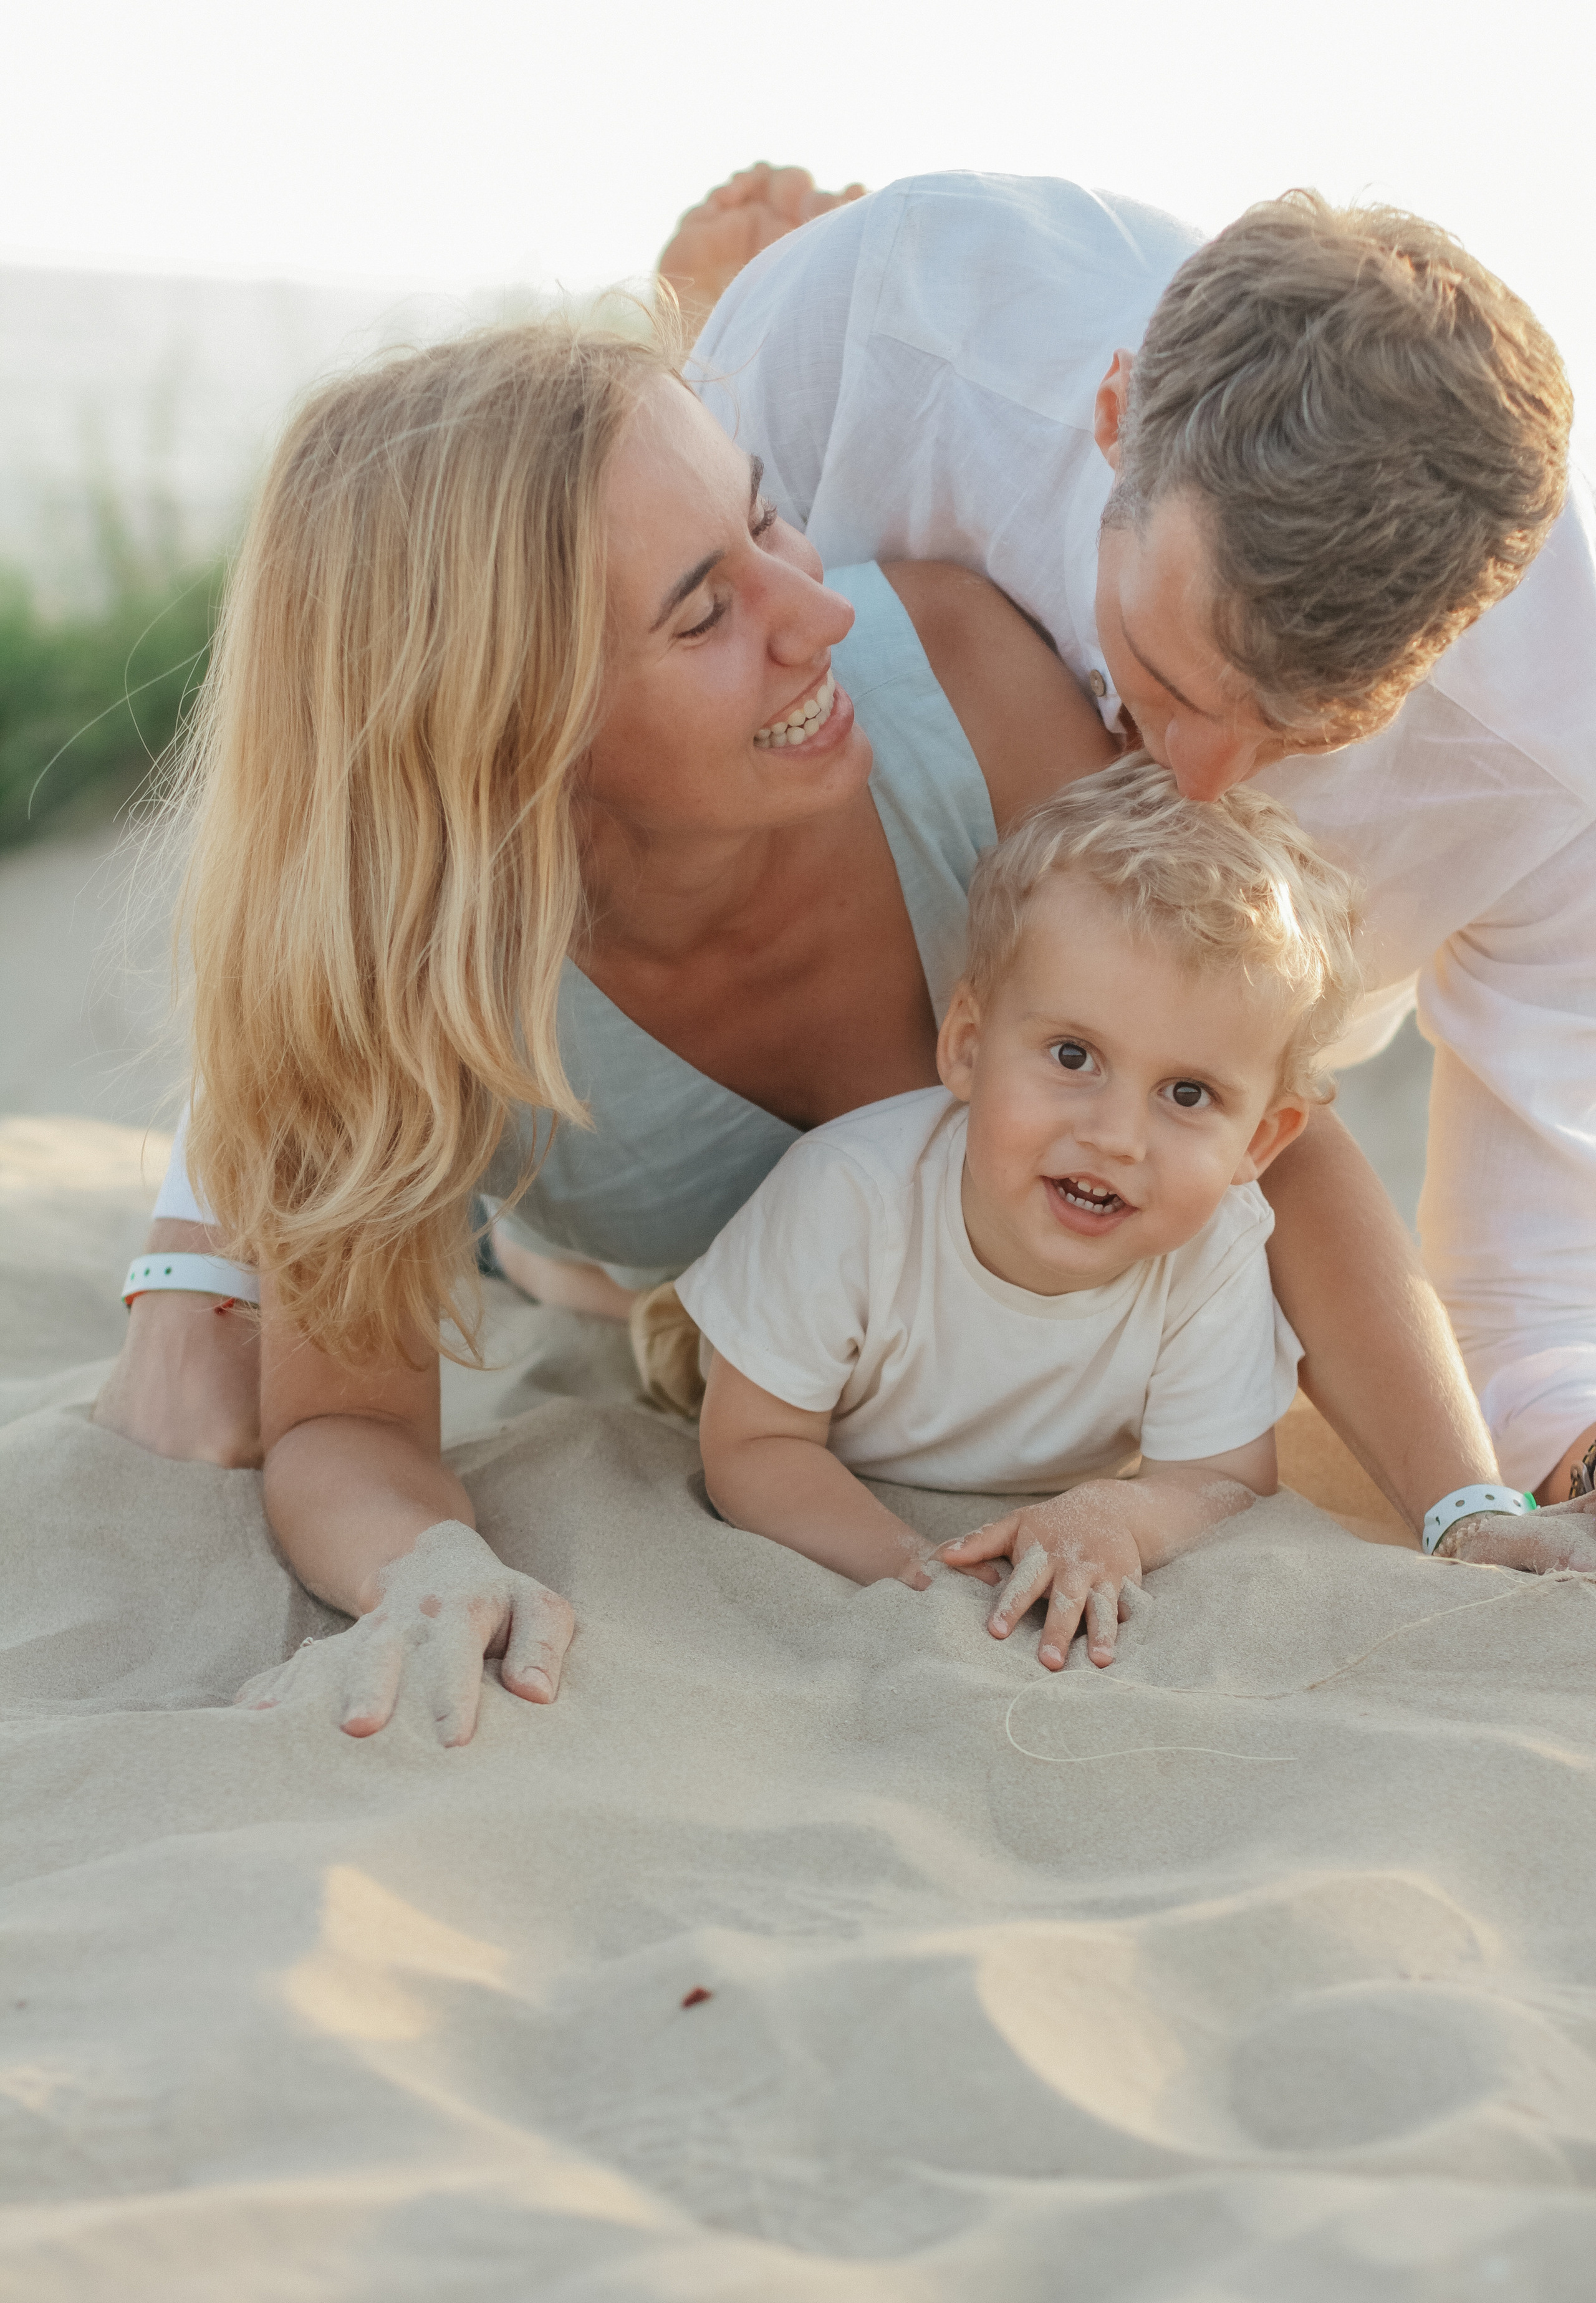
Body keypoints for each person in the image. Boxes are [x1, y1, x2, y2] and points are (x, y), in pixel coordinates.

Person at [92, 310, 1594, 1750]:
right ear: (510, 724)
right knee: (575, 1273)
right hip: (677, 1285)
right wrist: (422, 1561)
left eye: (766, 520)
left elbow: (1277, 1149)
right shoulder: (406, 991)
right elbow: (344, 1431)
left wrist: (1463, 1507)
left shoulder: (957, 676)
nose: (815, 610)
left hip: (908, 1286)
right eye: (705, 609)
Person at [666, 165, 1596, 1508]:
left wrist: (1560, 1466)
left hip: (1175, 1118)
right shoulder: (889, 323)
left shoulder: (1552, 757)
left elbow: (1526, 1280)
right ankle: (683, 332)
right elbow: (578, 678)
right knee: (619, 1245)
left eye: (1302, 735)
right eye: (1161, 679)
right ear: (1111, 420)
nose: (1203, 785)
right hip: (818, 896)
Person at [684, 757, 1363, 1669]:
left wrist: (1119, 1511)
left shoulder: (1217, 1249)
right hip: (786, 1388)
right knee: (650, 1334)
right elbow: (753, 1444)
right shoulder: (848, 1195)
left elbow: (1222, 1481)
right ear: (967, 1047)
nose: (1118, 1138)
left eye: (1189, 1094)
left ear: (1261, 1143)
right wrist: (911, 1564)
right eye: (1074, 1056)